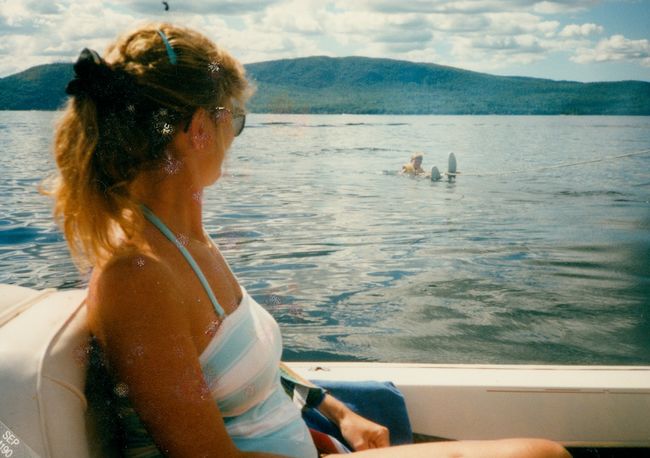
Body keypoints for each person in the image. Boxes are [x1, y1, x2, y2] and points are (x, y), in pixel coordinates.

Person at [50, 23, 570, 458]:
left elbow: (239, 366)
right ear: (196, 130)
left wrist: (336, 412)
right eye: (236, 119)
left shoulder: (189, 244)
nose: (236, 137)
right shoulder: (138, 277)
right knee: (541, 457)